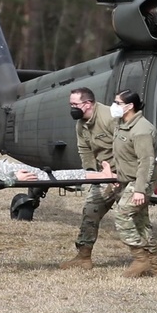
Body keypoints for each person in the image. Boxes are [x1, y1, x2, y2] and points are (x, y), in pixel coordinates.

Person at [59, 87, 119, 270]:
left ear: (87, 104)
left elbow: (125, 147)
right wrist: (92, 174)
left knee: (132, 217)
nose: (72, 108)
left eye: (74, 104)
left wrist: (120, 175)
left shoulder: (110, 117)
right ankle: (83, 256)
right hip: (104, 176)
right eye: (70, 104)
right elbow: (84, 150)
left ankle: (148, 258)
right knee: (90, 211)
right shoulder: (81, 124)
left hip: (124, 174)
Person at [110, 89, 157, 277]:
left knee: (122, 214)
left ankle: (141, 259)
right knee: (141, 223)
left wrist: (140, 190)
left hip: (140, 182)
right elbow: (122, 155)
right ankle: (155, 266)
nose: (114, 106)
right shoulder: (122, 124)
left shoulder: (141, 129)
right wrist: (118, 178)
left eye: (117, 102)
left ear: (129, 106)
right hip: (128, 180)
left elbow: (146, 161)